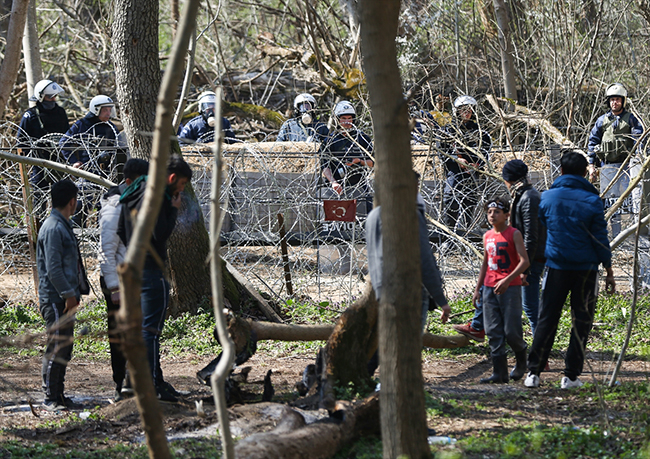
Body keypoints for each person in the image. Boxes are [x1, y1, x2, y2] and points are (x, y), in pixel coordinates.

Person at [525, 152, 615, 389]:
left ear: (561, 171)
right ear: (586, 172)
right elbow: (600, 238)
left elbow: (544, 222)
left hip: (556, 267)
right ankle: (570, 376)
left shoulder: (548, 198)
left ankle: (533, 373)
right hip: (586, 270)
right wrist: (608, 268)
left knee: (547, 317)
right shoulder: (593, 201)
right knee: (581, 321)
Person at [117, 155, 193, 402]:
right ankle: (148, 385)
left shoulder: (134, 190)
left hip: (132, 267)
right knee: (150, 329)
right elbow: (160, 232)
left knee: (139, 329)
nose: (181, 189)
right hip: (151, 269)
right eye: (181, 184)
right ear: (172, 178)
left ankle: (138, 380)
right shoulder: (158, 195)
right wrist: (172, 209)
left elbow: (120, 229)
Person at [365, 179, 451, 375]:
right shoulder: (409, 212)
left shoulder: (374, 215)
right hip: (411, 290)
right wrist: (440, 298)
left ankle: (367, 376)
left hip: (384, 290)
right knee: (408, 343)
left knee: (389, 339)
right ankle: (402, 385)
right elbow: (424, 259)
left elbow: (373, 258)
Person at [454, 159, 547, 340]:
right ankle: (478, 327)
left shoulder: (528, 198)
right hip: (525, 259)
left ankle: (540, 353)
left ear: (508, 180)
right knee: (491, 284)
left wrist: (524, 269)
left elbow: (531, 237)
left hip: (530, 260)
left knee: (530, 307)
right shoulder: (523, 195)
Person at [98, 158, 149, 401]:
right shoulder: (114, 205)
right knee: (120, 336)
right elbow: (106, 251)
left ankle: (137, 381)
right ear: (129, 182)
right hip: (118, 283)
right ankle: (121, 384)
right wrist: (114, 287)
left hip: (133, 280)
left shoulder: (133, 201)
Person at [37, 179, 90, 411]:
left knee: (64, 347)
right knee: (57, 347)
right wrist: (69, 294)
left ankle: (58, 395)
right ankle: (50, 397)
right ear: (72, 201)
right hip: (56, 299)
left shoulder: (63, 224)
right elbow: (53, 269)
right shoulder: (53, 228)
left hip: (65, 298)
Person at [473, 196, 529, 384]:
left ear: (506, 215)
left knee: (511, 331)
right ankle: (499, 372)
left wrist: (508, 279)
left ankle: (522, 360)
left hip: (510, 288)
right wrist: (478, 288)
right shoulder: (487, 236)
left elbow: (524, 261)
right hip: (489, 288)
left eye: (497, 212)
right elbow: (485, 264)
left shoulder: (514, 234)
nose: (492, 215)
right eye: (489, 212)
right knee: (493, 330)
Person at [587, 83, 643, 237]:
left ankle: (631, 235)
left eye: (617, 100)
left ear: (623, 101)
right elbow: (592, 143)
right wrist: (591, 165)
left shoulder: (631, 119)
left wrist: (638, 159)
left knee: (629, 201)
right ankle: (616, 236)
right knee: (612, 203)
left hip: (627, 167)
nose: (614, 103)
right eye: (612, 100)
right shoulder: (601, 121)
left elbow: (639, 140)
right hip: (607, 168)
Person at [59, 95, 121, 226]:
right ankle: (76, 233)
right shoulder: (82, 124)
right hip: (87, 170)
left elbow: (119, 147)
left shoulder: (111, 127)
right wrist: (73, 162)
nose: (108, 113)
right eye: (105, 110)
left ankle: (99, 236)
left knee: (104, 206)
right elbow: (64, 143)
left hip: (106, 172)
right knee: (80, 205)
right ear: (96, 110)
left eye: (110, 110)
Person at [440, 95, 491, 234]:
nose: (466, 113)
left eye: (469, 109)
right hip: (455, 173)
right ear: (457, 111)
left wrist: (477, 164)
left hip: (473, 174)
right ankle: (449, 235)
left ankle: (466, 234)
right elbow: (441, 152)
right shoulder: (448, 131)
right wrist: (456, 159)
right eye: (463, 109)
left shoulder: (481, 132)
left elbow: (486, 152)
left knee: (470, 203)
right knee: (450, 199)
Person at [320, 101, 374, 216]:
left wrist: (360, 162)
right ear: (337, 120)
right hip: (336, 186)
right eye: (343, 118)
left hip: (358, 186)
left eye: (349, 118)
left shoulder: (362, 138)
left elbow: (374, 162)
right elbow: (324, 166)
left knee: (366, 215)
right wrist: (334, 183)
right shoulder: (329, 140)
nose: (347, 122)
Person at [17, 79, 70, 191]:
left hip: (58, 159)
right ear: (41, 97)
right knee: (39, 193)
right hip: (39, 161)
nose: (53, 100)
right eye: (50, 97)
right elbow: (21, 140)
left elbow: (67, 134)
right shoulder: (30, 115)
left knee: (61, 194)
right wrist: (31, 158)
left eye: (54, 96)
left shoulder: (60, 112)